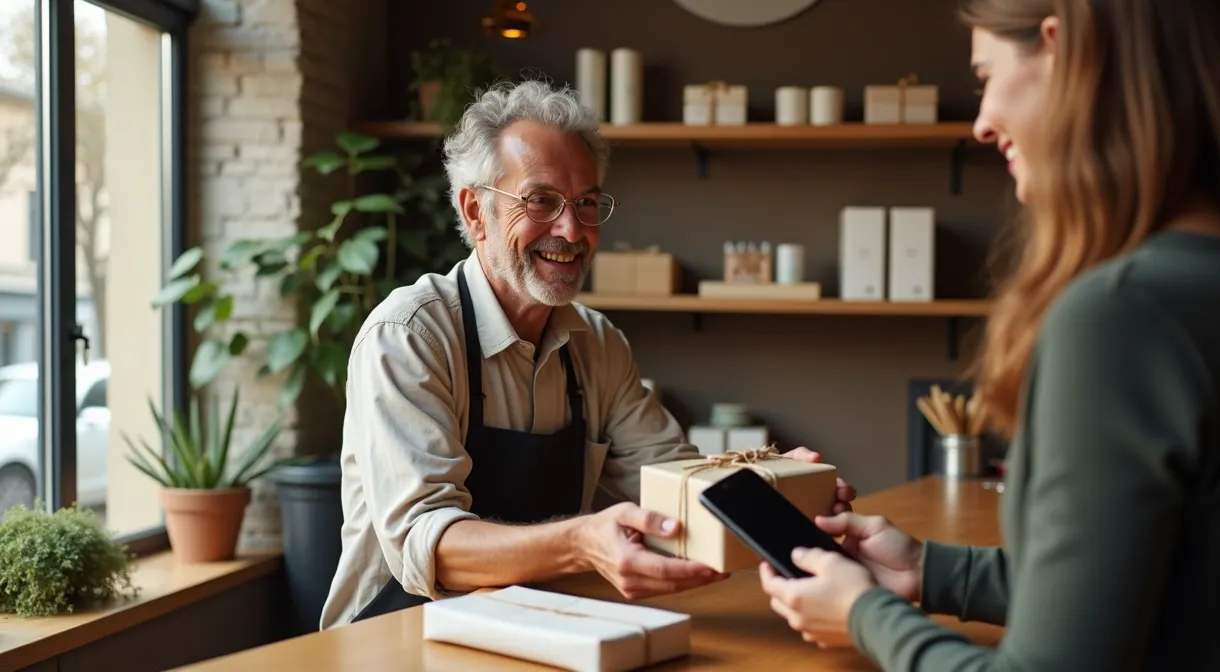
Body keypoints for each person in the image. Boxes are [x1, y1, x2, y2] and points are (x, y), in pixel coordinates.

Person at [759, 0, 1220, 670]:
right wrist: (928, 570)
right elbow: (1173, 585)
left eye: (986, 76)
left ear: (1063, 51)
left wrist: (864, 613)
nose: (982, 123)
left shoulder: (1124, 314)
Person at [319, 79, 856, 630]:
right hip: (393, 636)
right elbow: (428, 547)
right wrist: (581, 542)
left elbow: (670, 481)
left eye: (587, 203)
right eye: (541, 200)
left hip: (535, 626)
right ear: (476, 212)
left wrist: (771, 493)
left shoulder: (596, 344)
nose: (572, 230)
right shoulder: (410, 337)